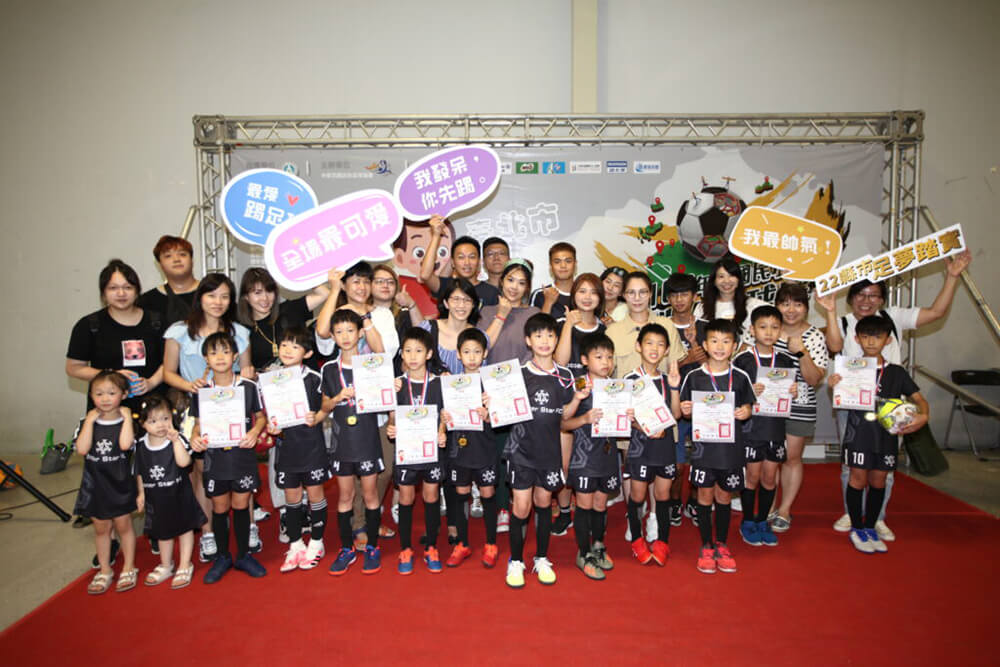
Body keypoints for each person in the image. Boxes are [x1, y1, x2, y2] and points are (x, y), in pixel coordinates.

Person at [818, 249, 971, 539]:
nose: (866, 300)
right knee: (851, 464)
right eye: (860, 294)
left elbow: (936, 313)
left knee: (885, 465)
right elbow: (834, 347)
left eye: (873, 295)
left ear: (882, 299)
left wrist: (952, 277)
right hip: (853, 405)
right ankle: (852, 513)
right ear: (851, 297)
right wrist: (830, 310)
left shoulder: (894, 318)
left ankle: (877, 518)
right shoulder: (844, 322)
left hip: (892, 406)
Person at [162, 273, 252, 563]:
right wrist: (191, 386)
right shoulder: (179, 331)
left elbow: (247, 372)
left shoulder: (240, 332)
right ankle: (209, 531)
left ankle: (248, 528)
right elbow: (167, 372)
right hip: (195, 405)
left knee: (240, 467)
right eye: (212, 295)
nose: (218, 302)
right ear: (199, 297)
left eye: (224, 296)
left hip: (233, 408)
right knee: (203, 472)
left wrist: (247, 376)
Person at [237, 267, 328, 538]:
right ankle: (289, 512)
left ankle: (308, 508)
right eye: (256, 293)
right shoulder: (242, 328)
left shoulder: (290, 310)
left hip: (305, 395)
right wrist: (255, 374)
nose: (264, 298)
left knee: (309, 448)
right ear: (245, 296)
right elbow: (245, 366)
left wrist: (292, 268)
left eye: (269, 291)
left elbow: (324, 292)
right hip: (272, 399)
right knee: (281, 455)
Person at [828, 315, 928, 553]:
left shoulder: (897, 372)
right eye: (865, 337)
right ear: (856, 339)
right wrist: (834, 386)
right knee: (857, 479)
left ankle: (871, 526)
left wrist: (923, 415)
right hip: (858, 433)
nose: (871, 342)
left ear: (888, 340)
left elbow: (919, 399)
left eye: (877, 337)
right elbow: (839, 399)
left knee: (879, 480)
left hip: (886, 434)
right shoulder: (849, 368)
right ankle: (857, 528)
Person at [499, 313, 574, 588]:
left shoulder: (566, 376)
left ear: (557, 339)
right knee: (521, 506)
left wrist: (579, 399)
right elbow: (501, 412)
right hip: (521, 451)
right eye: (538, 335)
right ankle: (516, 561)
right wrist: (491, 403)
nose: (545, 341)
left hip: (549, 452)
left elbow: (566, 417)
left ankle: (541, 558)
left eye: (550, 335)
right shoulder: (517, 375)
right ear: (528, 341)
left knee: (544, 503)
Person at [677, 319, 755, 574]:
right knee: (704, 495)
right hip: (704, 449)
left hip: (730, 450)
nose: (720, 347)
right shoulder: (694, 376)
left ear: (734, 346)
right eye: (714, 341)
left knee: (724, 496)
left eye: (726, 341)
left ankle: (721, 543)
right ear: (704, 345)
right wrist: (685, 410)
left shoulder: (741, 377)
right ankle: (706, 545)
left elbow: (749, 406)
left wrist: (746, 411)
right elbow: (685, 410)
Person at [189, 332, 267, 583]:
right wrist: (195, 437)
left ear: (234, 356)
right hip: (215, 457)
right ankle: (223, 557)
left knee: (241, 504)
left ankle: (243, 555)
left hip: (242, 455)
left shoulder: (248, 386)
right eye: (213, 353)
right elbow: (197, 424)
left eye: (225, 351)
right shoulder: (202, 390)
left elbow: (261, 417)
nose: (220, 357)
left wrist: (254, 432)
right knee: (220, 507)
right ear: (206, 359)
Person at [321, 309, 385, 576]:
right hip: (342, 441)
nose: (345, 336)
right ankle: (347, 548)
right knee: (345, 496)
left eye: (350, 330)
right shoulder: (328, 369)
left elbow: (386, 398)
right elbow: (324, 405)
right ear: (333, 336)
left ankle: (372, 546)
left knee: (370, 495)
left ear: (360, 333)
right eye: (339, 332)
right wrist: (338, 397)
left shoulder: (372, 364)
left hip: (367, 438)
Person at [561, 333, 629, 580]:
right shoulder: (579, 385)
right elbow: (563, 422)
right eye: (599, 357)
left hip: (607, 455)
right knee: (585, 505)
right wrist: (584, 417)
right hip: (584, 457)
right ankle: (583, 553)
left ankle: (598, 545)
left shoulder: (617, 387)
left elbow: (623, 425)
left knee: (601, 504)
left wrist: (627, 417)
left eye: (609, 357)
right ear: (584, 360)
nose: (605, 362)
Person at [262, 327, 331, 574]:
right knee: (291, 498)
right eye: (284, 345)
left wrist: (317, 416)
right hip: (286, 448)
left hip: (311, 447)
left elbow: (326, 407)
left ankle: (317, 542)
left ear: (307, 353)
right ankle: (295, 545)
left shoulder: (314, 378)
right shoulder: (270, 380)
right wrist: (270, 425)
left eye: (295, 346)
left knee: (315, 494)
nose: (288, 350)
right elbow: (266, 413)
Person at [479, 259, 539, 534]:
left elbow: (536, 353)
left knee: (521, 453)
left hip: (522, 392)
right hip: (491, 394)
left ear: (527, 287)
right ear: (501, 281)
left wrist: (521, 386)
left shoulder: (533, 313)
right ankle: (503, 507)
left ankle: (520, 504)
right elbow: (482, 348)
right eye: (510, 280)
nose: (515, 287)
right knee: (498, 452)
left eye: (521, 282)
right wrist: (501, 315)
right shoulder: (486, 311)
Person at [732, 306, 798, 547]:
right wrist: (749, 391)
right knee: (752, 476)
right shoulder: (743, 359)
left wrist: (793, 391)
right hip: (751, 428)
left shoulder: (785, 360)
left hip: (774, 427)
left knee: (770, 477)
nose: (768, 332)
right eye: (763, 327)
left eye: (774, 327)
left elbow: (789, 392)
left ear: (780, 331)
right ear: (752, 330)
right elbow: (733, 393)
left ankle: (762, 521)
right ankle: (748, 521)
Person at [66, 259, 165, 415]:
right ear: (103, 293)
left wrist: (151, 382)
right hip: (108, 411)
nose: (121, 294)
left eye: (128, 287)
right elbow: (74, 368)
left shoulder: (158, 321)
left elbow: (171, 362)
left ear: (137, 291)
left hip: (154, 411)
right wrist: (112, 376)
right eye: (113, 288)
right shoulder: (89, 325)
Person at [769, 283, 830, 533]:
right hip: (768, 405)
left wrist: (802, 352)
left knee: (791, 458)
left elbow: (815, 379)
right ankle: (769, 507)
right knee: (768, 458)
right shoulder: (768, 329)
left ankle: (784, 510)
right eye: (785, 304)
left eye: (797, 304)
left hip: (800, 404)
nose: (791, 310)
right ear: (777, 306)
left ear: (806, 307)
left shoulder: (814, 336)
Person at [387, 327, 447, 574]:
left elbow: (444, 413)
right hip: (406, 451)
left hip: (431, 450)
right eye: (408, 351)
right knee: (406, 497)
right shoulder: (397, 385)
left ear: (429, 354)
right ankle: (405, 549)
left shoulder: (439, 383)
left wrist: (442, 431)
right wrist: (391, 427)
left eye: (419, 351)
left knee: (431, 496)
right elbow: (392, 416)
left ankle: (431, 546)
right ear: (401, 353)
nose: (413, 356)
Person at [73, 370, 138, 594]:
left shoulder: (127, 421)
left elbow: (125, 445)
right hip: (95, 485)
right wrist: (90, 422)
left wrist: (127, 418)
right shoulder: (86, 422)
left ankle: (129, 566)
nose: (105, 398)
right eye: (99, 394)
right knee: (101, 529)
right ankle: (104, 569)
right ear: (91, 396)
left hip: (119, 484)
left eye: (112, 393)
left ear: (124, 395)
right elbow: (82, 449)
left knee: (124, 526)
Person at [623, 324, 682, 567]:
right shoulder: (629, 380)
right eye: (649, 343)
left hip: (665, 446)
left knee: (663, 494)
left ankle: (663, 541)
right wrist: (643, 427)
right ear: (639, 346)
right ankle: (637, 539)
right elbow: (625, 419)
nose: (654, 348)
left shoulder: (669, 379)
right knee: (637, 495)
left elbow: (676, 414)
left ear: (667, 350)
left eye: (660, 344)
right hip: (640, 447)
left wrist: (675, 388)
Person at [551, 272, 606, 536]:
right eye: (582, 291)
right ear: (574, 296)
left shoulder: (604, 328)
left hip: (594, 404)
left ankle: (589, 515)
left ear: (600, 298)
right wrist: (568, 325)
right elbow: (560, 362)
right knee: (563, 464)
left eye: (593, 292)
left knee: (588, 463)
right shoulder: (564, 323)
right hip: (567, 399)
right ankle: (564, 512)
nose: (587, 297)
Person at [442, 329, 500, 568]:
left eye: (477, 351)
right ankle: (462, 543)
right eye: (467, 352)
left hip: (485, 448)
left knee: (487, 493)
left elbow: (503, 418)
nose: (472, 357)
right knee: (461, 493)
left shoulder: (493, 384)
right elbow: (443, 415)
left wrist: (489, 414)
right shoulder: (451, 384)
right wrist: (444, 419)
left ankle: (491, 543)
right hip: (459, 448)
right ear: (458, 354)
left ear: (485, 353)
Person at [133, 394, 204, 589]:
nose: (160, 425)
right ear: (143, 424)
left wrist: (175, 442)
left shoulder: (177, 439)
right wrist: (141, 493)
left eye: (165, 418)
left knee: (184, 529)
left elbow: (184, 462)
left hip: (179, 495)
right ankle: (166, 565)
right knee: (162, 532)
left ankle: (185, 564)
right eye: (153, 421)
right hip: (156, 499)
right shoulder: (140, 445)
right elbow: (140, 471)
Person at [664, 272, 708, 527]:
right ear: (668, 299)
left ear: (695, 297)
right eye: (674, 295)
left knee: (702, 458)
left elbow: (718, 363)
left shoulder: (706, 327)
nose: (679, 299)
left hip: (704, 403)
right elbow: (657, 366)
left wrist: (699, 353)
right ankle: (673, 502)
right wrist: (686, 359)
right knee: (677, 462)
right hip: (674, 403)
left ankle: (694, 500)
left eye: (684, 294)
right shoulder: (662, 327)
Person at [606, 271, 685, 379]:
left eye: (643, 292)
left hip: (660, 388)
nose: (637, 298)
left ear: (650, 294)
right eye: (631, 292)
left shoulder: (666, 325)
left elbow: (674, 367)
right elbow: (605, 373)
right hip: (625, 389)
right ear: (624, 295)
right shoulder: (613, 332)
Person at [315, 263, 393, 359]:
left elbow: (381, 352)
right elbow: (322, 332)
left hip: (373, 367)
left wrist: (363, 315)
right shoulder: (337, 314)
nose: (362, 287)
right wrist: (335, 290)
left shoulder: (383, 314)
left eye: (366, 282)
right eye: (356, 282)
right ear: (343, 285)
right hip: (341, 368)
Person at [418, 215, 500, 308]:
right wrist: (436, 236)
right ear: (452, 263)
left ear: (479, 261)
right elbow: (425, 275)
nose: (467, 262)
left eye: (472, 257)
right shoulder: (447, 286)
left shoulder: (492, 292)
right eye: (461, 257)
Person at [693, 257, 768, 343]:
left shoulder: (754, 305)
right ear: (714, 281)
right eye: (721, 276)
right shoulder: (702, 307)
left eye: (731, 275)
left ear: (739, 280)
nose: (726, 281)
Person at [392, 217, 455, 318]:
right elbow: (425, 275)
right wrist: (436, 236)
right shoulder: (401, 283)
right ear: (399, 257)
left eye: (443, 252)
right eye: (419, 253)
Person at [138, 235, 200, 324]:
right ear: (160, 265)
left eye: (182, 254)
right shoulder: (147, 301)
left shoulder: (212, 292)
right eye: (168, 256)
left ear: (191, 260)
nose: (176, 259)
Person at [530, 242, 577, 320]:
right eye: (557, 262)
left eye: (568, 261)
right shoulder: (540, 295)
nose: (563, 266)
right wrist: (548, 303)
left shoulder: (585, 294)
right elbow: (534, 326)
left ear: (575, 264)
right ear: (551, 266)